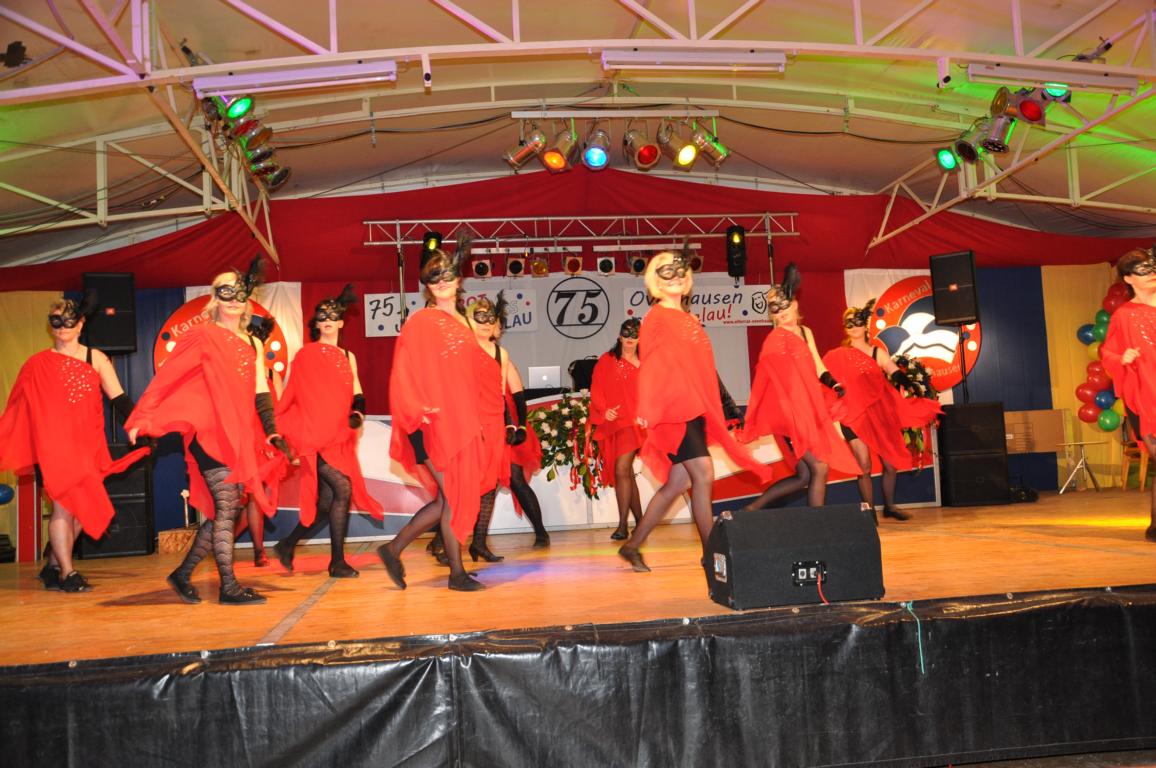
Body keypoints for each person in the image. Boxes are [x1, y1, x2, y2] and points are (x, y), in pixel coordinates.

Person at [127, 260, 294, 604]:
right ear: (216, 297)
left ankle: (182, 574)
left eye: (239, 293)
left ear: (247, 300)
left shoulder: (253, 343)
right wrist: (142, 417)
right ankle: (228, 587)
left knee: (227, 511)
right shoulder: (201, 335)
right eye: (225, 292)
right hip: (208, 434)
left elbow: (261, 391)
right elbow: (168, 377)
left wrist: (272, 432)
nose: (233, 300)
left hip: (239, 435)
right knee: (228, 505)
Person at [618, 248, 773, 573]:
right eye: (666, 274)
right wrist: (647, 406)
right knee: (703, 474)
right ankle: (712, 554)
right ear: (656, 283)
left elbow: (703, 369)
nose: (675, 278)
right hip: (672, 411)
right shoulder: (656, 318)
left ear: (687, 279)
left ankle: (632, 546)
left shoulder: (689, 319)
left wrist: (726, 407)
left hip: (693, 408)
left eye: (679, 273)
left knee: (677, 484)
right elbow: (651, 365)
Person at [0, 293, 148, 592]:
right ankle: (68, 574)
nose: (62, 327)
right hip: (53, 448)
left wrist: (139, 426)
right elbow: (19, 408)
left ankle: (53, 566)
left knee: (81, 509)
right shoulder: (37, 364)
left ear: (80, 323)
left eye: (68, 320)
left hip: (88, 447)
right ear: (50, 325)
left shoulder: (96, 358)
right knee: (63, 509)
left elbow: (119, 398)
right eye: (56, 321)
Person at [376, 240, 489, 591]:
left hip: (458, 422)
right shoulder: (422, 321)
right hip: (430, 423)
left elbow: (466, 378)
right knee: (452, 497)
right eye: (433, 277)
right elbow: (403, 370)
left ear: (459, 280)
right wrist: (418, 407)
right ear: (426, 284)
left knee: (446, 499)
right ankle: (456, 574)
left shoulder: (465, 323)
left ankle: (392, 549)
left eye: (447, 275)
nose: (441, 282)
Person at [273, 285, 384, 577]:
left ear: (341, 322)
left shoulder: (348, 356)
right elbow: (293, 395)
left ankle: (287, 544)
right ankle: (337, 562)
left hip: (339, 437)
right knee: (343, 489)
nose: (327, 320)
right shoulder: (305, 355)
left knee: (325, 503)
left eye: (333, 316)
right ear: (317, 323)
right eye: (322, 316)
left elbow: (357, 392)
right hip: (314, 437)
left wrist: (357, 413)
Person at [740, 263, 859, 511]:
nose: (781, 312)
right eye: (775, 308)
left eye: (784, 305)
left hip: (806, 412)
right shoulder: (775, 340)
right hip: (789, 417)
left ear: (794, 304)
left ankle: (749, 511)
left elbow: (817, 365)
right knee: (820, 467)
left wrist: (833, 383)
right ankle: (817, 524)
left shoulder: (805, 332)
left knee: (804, 476)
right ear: (772, 315)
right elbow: (766, 381)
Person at [822, 300, 942, 521]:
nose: (854, 326)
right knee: (864, 466)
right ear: (845, 327)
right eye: (849, 323)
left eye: (858, 322)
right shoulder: (837, 355)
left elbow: (893, 371)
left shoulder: (877, 353)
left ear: (865, 325)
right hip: (853, 417)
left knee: (890, 464)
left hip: (879, 415)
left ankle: (890, 506)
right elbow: (822, 375)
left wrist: (911, 385)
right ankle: (869, 513)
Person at [1100, 247, 1156, 542]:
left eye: (1152, 267)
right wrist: (1122, 357)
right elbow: (1107, 352)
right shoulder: (1123, 316)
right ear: (1129, 278)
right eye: (1143, 270)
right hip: (1142, 394)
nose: (1152, 273)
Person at [589, 317, 644, 540]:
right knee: (626, 473)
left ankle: (622, 525)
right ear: (620, 336)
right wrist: (604, 411)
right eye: (626, 333)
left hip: (636, 424)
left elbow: (654, 391)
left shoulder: (646, 362)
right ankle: (641, 522)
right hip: (614, 423)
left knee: (621, 470)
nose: (630, 338)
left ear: (640, 338)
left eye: (634, 334)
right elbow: (596, 389)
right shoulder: (606, 360)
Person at [234, 313, 281, 566]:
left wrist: (276, 440)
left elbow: (279, 411)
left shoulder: (272, 375)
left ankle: (258, 551)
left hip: (262, 441)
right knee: (233, 498)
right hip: (239, 438)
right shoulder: (236, 372)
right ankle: (220, 543)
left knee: (255, 496)